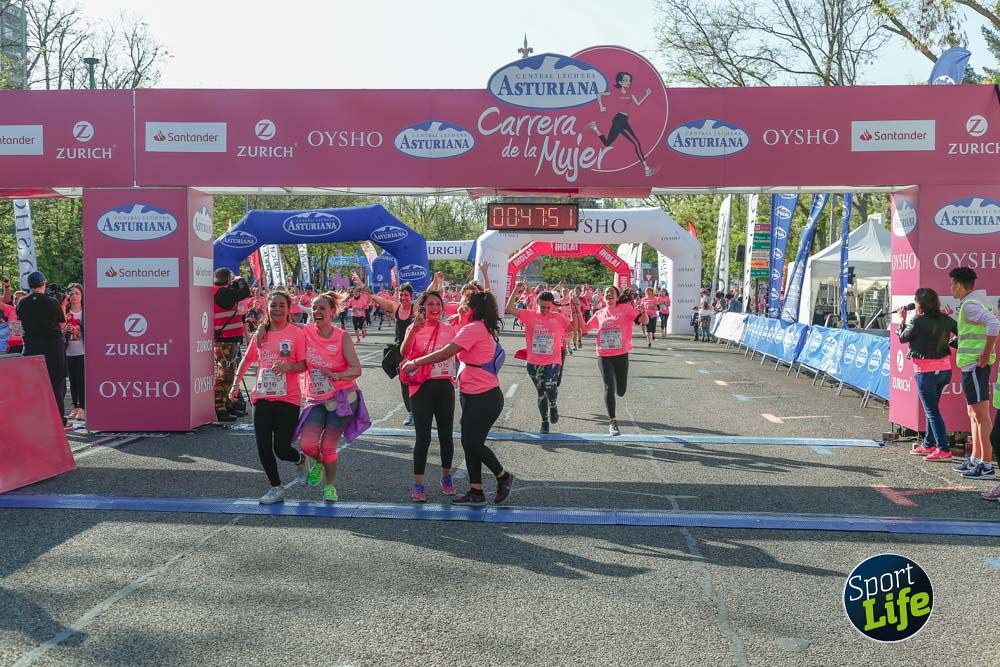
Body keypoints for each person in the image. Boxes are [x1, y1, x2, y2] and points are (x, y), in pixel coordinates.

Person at [401, 291, 514, 505]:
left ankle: (503, 476)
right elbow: (405, 350)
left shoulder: (471, 328)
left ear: (473, 308)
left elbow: (445, 353)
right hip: (471, 394)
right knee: (468, 441)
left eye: (465, 303)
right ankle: (476, 490)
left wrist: (416, 363)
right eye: (430, 303)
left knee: (471, 442)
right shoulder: (474, 326)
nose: (460, 304)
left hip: (483, 395)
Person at [230, 291, 309, 504]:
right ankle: (276, 487)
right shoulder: (260, 333)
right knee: (262, 444)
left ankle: (300, 459)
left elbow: (305, 364)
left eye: (282, 305)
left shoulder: (296, 333)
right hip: (262, 396)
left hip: (288, 397)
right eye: (273, 305)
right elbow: (247, 359)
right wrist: (236, 383)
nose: (277, 309)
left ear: (289, 308)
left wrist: (289, 366)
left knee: (281, 449)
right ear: (267, 307)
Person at [297, 291, 364, 502]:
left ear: (332, 312)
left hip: (342, 398)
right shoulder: (305, 332)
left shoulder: (341, 336)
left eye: (322, 308)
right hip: (315, 398)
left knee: (328, 446)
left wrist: (336, 375)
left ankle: (330, 487)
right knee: (307, 444)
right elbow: (280, 325)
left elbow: (356, 369)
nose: (317, 311)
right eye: (314, 308)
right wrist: (262, 327)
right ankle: (318, 462)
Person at [399, 289, 457, 502]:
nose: (435, 308)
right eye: (430, 304)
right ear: (421, 307)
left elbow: (458, 352)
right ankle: (418, 484)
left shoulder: (450, 328)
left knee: (446, 435)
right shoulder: (414, 328)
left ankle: (447, 477)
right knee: (423, 437)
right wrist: (413, 331)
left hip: (444, 386)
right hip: (421, 386)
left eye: (438, 304)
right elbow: (404, 353)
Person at [948, 267, 1000, 481]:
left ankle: (986, 464)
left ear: (960, 285)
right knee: (974, 413)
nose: (950, 288)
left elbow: (994, 324)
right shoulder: (974, 303)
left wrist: (985, 354)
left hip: (976, 366)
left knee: (981, 414)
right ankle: (977, 458)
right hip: (972, 366)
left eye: (952, 284)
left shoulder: (970, 305)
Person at [896, 288, 958, 462]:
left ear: (920, 304)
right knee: (933, 409)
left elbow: (902, 338)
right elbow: (962, 333)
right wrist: (950, 342)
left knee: (932, 411)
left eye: (915, 302)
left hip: (925, 371)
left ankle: (943, 448)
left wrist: (902, 321)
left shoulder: (917, 320)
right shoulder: (945, 318)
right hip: (944, 370)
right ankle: (929, 443)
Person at [505, 282, 572, 434]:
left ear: (553, 306)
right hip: (534, 363)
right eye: (543, 307)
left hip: (553, 361)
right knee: (541, 392)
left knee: (550, 386)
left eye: (549, 307)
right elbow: (509, 309)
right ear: (537, 304)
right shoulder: (529, 315)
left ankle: (553, 405)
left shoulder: (558, 317)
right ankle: (544, 422)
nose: (546, 310)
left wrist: (569, 337)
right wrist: (516, 289)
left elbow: (571, 327)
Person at [584, 286, 648, 436]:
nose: (609, 294)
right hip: (603, 354)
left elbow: (643, 321)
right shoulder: (599, 313)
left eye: (612, 293)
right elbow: (585, 328)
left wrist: (644, 312)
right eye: (606, 293)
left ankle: (619, 392)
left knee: (621, 390)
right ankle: (612, 421)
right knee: (608, 387)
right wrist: (575, 312)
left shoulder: (625, 309)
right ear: (603, 298)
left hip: (621, 354)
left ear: (617, 297)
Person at [362, 276, 418, 426]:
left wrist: (437, 281)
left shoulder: (415, 307)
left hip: (415, 350)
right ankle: (411, 413)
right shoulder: (395, 307)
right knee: (404, 382)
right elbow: (375, 297)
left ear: (411, 296)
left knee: (419, 382)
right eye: (401, 295)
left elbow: (429, 293)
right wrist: (363, 285)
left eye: (406, 295)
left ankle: (421, 410)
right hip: (400, 351)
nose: (403, 297)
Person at [16, 271, 68, 426]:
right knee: (56, 382)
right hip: (52, 346)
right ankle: (58, 419)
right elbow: (61, 324)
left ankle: (37, 418)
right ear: (43, 284)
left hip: (31, 346)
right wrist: (63, 305)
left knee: (34, 383)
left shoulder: (22, 302)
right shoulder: (52, 302)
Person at [213, 268, 251, 423]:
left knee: (229, 372)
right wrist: (240, 280)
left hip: (229, 339)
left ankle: (227, 403)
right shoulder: (220, 292)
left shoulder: (221, 291)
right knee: (225, 375)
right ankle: (219, 407)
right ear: (228, 279)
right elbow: (244, 292)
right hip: (225, 340)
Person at [64, 284, 85, 423]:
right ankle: (75, 406)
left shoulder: (86, 312)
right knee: (72, 380)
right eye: (72, 294)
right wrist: (66, 329)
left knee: (81, 380)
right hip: (68, 351)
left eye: (77, 293)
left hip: (83, 351)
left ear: (82, 295)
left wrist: (80, 328)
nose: (74, 296)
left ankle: (83, 407)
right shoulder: (64, 312)